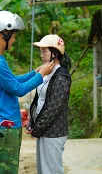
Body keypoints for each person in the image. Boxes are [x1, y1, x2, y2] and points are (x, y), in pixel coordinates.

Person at [0, 11, 55, 174]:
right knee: (6, 171)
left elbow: (11, 81)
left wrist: (35, 72)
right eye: (13, 36)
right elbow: (18, 89)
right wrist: (41, 76)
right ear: (4, 34)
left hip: (3, 125)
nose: (14, 39)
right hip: (5, 127)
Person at [27, 34, 72, 174]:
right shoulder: (46, 72)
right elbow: (39, 101)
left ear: (55, 53)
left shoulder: (61, 77)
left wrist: (37, 129)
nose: (41, 54)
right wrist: (32, 122)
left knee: (52, 170)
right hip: (44, 131)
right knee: (43, 170)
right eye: (41, 51)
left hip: (54, 132)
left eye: (44, 51)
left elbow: (53, 108)